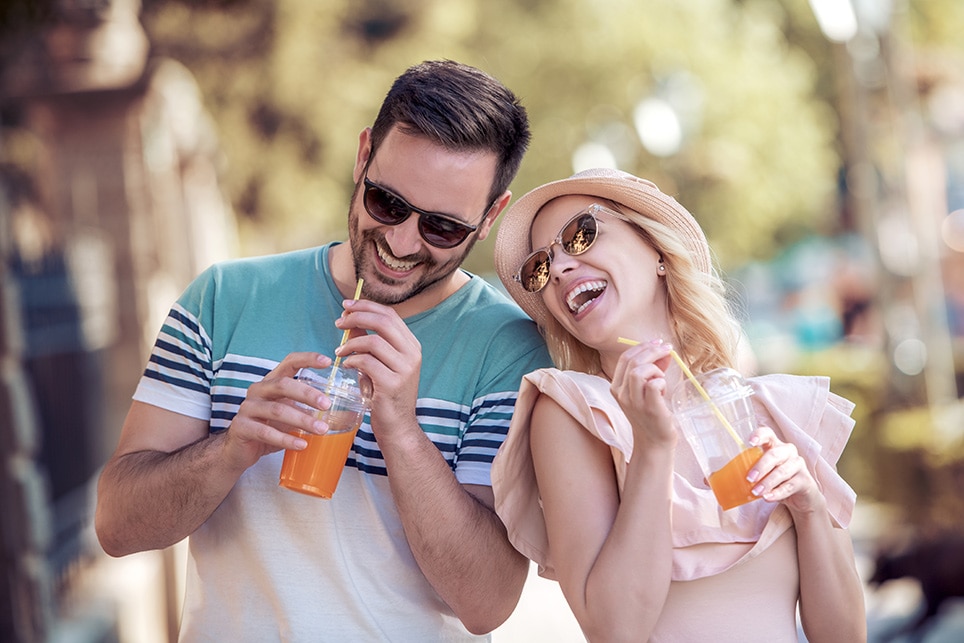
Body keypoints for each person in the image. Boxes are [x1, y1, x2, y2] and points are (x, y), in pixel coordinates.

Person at [95, 60, 551, 641]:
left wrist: (401, 429)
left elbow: (486, 604)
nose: (402, 242)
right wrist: (231, 449)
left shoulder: (508, 350)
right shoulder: (224, 299)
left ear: (490, 216)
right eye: (387, 202)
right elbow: (116, 527)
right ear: (363, 156)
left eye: (442, 227)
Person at [490, 168, 867, 642]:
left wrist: (809, 505)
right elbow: (614, 631)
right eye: (540, 268)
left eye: (581, 235)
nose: (560, 268)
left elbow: (845, 636)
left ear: (657, 252)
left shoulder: (770, 407)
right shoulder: (574, 413)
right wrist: (651, 449)